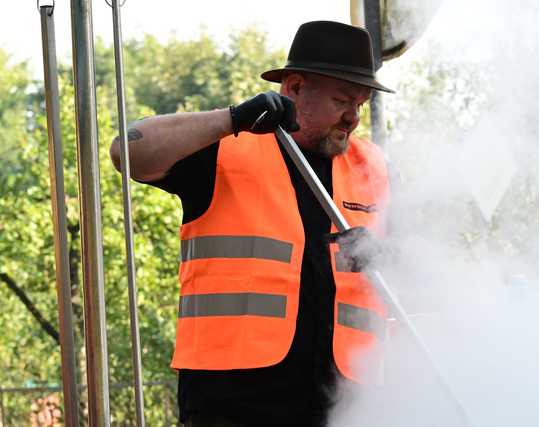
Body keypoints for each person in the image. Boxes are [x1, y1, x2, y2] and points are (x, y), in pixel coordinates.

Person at [110, 20, 394, 427]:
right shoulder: (226, 149)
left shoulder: (375, 169)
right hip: (233, 401)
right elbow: (128, 151)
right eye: (342, 101)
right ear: (295, 88)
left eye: (361, 104)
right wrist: (231, 119)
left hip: (346, 402)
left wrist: (388, 256)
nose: (352, 117)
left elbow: (415, 266)